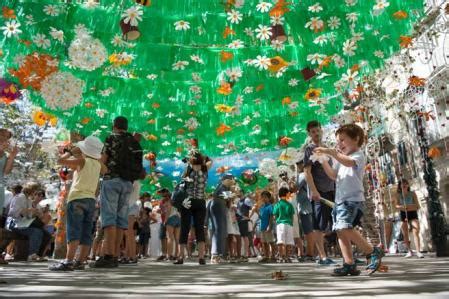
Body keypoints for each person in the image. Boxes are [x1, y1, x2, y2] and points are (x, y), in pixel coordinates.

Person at [314, 124, 384, 276]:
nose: (339, 144)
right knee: (341, 231)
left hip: (352, 200)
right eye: (337, 141)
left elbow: (348, 162)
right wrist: (323, 161)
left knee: (345, 227)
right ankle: (349, 264)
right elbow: (333, 175)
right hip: (340, 201)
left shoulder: (358, 156)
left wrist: (332, 152)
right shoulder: (340, 159)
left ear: (356, 139)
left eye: (342, 140)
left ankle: (372, 251)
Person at [90, 116, 143, 268]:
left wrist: (100, 167)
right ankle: (115, 255)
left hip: (112, 180)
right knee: (121, 219)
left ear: (114, 126)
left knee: (109, 218)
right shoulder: (134, 142)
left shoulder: (111, 138)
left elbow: (104, 159)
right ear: (126, 127)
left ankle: (108, 254)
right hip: (128, 183)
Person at [49, 136, 105, 271]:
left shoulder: (81, 160)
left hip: (77, 199)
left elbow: (60, 161)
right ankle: (80, 261)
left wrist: (71, 151)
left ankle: (68, 261)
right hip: (90, 200)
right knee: (86, 232)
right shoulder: (98, 165)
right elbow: (105, 170)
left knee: (74, 230)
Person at [303, 120, 336, 266]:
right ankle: (322, 257)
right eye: (313, 132)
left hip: (331, 189)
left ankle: (348, 255)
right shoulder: (310, 149)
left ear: (322, 130)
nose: (316, 133)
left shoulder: (325, 148)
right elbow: (307, 172)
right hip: (319, 193)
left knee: (335, 223)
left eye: (317, 130)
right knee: (319, 225)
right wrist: (314, 191)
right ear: (309, 134)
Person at [174, 152, 211, 265]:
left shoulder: (187, 170)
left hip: (187, 202)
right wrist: (203, 157)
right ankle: (201, 257)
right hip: (200, 201)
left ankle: (180, 257)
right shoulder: (205, 169)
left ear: (191, 160)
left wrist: (190, 162)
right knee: (199, 228)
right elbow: (210, 160)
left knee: (184, 228)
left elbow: (181, 185)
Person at [6, 182, 44, 261]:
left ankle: (34, 254)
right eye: (35, 191)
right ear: (31, 190)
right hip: (14, 224)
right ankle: (32, 254)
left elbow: (28, 216)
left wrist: (34, 213)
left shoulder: (28, 200)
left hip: (22, 224)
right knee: (36, 232)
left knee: (40, 231)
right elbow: (12, 213)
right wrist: (28, 210)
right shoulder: (20, 197)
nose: (36, 193)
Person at [393, 179, 424, 258]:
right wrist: (403, 207)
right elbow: (396, 206)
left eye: (405, 183)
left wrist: (407, 207)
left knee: (416, 231)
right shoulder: (397, 195)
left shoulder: (412, 193)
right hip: (403, 214)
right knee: (405, 233)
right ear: (399, 186)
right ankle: (409, 251)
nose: (404, 185)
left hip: (412, 213)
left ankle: (418, 251)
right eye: (402, 184)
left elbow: (417, 205)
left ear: (408, 185)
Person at [208, 173, 234, 265]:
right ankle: (216, 255)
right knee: (219, 231)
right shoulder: (222, 187)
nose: (232, 182)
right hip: (218, 207)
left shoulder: (224, 188)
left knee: (221, 232)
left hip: (221, 207)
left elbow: (229, 203)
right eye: (231, 180)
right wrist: (231, 194)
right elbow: (228, 200)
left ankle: (219, 254)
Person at [296, 161, 315, 261]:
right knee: (309, 231)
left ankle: (310, 254)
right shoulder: (305, 174)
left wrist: (289, 180)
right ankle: (310, 253)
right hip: (306, 207)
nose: (298, 165)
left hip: (305, 208)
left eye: (299, 163)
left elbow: (294, 188)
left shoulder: (303, 175)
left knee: (308, 231)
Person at [273, 187, 295, 263]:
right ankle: (287, 257)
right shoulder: (289, 205)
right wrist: (291, 224)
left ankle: (281, 257)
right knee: (288, 241)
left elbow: (275, 215)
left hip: (280, 224)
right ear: (287, 194)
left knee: (280, 241)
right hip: (289, 224)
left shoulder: (277, 204)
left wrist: (276, 221)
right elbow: (292, 216)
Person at [0, 129, 18, 225]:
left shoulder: (5, 155)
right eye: (3, 135)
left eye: (7, 137)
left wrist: (12, 156)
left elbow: (6, 172)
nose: (5, 138)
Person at [123, 181, 141, 264]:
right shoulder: (137, 182)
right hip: (132, 206)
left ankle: (132, 256)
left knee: (129, 233)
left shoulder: (133, 182)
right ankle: (128, 256)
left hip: (128, 206)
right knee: (128, 234)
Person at [257, 191, 275, 262]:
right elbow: (261, 217)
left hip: (268, 227)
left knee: (270, 242)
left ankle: (273, 256)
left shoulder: (270, 206)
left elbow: (271, 217)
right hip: (262, 227)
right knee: (264, 242)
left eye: (265, 197)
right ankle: (267, 256)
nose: (264, 199)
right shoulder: (262, 207)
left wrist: (270, 226)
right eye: (262, 197)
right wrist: (258, 213)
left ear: (269, 198)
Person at [236, 191, 253, 262]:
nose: (237, 192)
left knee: (245, 237)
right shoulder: (238, 201)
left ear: (242, 192)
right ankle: (242, 254)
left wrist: (249, 217)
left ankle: (246, 255)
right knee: (240, 238)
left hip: (244, 221)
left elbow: (252, 208)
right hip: (239, 221)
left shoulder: (247, 200)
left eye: (238, 191)